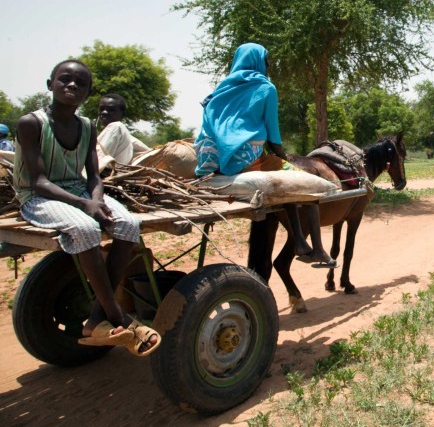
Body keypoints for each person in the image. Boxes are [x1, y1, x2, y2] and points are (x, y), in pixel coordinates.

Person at [13, 59, 161, 356]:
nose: (71, 86)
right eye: (64, 79)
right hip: (38, 196)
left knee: (128, 224)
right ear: (50, 84)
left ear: (87, 92)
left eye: (80, 83)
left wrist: (94, 199)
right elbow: (39, 181)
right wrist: (85, 205)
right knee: (85, 227)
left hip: (78, 190)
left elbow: (94, 175)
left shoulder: (86, 127)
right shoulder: (32, 123)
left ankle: (95, 319)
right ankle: (118, 317)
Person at [194, 42, 336, 268]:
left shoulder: (221, 88)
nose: (268, 66)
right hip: (243, 159)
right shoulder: (265, 87)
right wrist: (281, 155)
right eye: (266, 61)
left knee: (281, 176)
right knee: (301, 178)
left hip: (209, 159)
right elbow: (273, 132)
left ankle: (300, 241)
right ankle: (317, 248)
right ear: (257, 62)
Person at [96, 93, 150, 165]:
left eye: (111, 110)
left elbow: (149, 152)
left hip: (103, 171)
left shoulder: (118, 128)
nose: (104, 112)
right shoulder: (98, 135)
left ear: (122, 115)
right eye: (101, 109)